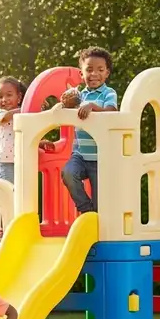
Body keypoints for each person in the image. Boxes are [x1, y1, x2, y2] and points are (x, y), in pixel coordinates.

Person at [60, 47, 118, 213]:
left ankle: (97, 218)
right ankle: (86, 209)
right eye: (89, 70)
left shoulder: (108, 93)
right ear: (81, 73)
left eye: (100, 70)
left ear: (107, 73)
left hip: (100, 156)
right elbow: (66, 109)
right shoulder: (79, 95)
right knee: (69, 173)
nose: (94, 74)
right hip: (80, 153)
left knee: (101, 204)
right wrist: (66, 103)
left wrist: (92, 106)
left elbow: (111, 112)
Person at [0, 76, 27, 241]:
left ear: (19, 97)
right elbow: (7, 117)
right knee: (7, 194)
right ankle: (1, 230)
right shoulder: (1, 114)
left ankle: (13, 226)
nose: (4, 99)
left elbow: (23, 138)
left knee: (18, 195)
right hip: (2, 163)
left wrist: (42, 143)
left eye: (9, 95)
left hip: (16, 163)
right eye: (0, 96)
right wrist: (29, 107)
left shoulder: (23, 117)